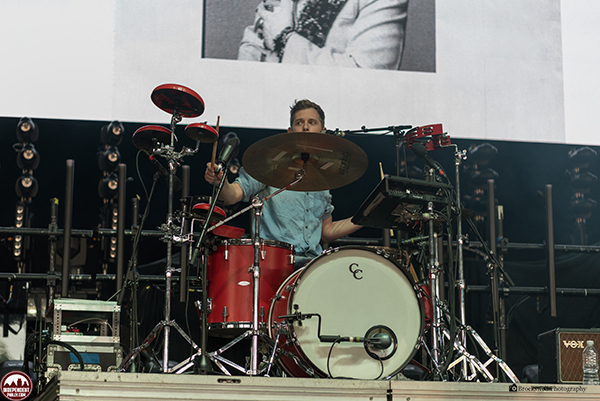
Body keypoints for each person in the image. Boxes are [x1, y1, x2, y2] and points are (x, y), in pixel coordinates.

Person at [204, 99, 361, 268]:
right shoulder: (269, 165)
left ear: (322, 132)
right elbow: (232, 195)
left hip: (312, 266)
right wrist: (221, 182)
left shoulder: (323, 179)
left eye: (312, 122)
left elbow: (326, 231)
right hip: (274, 263)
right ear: (289, 132)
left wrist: (364, 218)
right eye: (299, 122)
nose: (305, 127)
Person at [238, 0, 409, 70]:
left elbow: (366, 78)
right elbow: (253, 45)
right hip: (267, 108)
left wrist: (285, 37)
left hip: (332, 121)